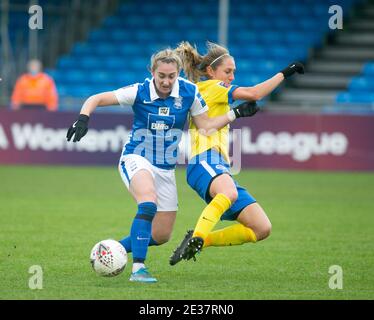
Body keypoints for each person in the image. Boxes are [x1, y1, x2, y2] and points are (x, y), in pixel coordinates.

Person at [66, 48, 258, 283]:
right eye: (161, 76)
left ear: (178, 73)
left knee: (161, 234)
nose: (166, 81)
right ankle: (138, 269)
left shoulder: (189, 92)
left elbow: (206, 127)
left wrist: (234, 113)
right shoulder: (139, 90)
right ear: (152, 72)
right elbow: (96, 98)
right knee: (147, 203)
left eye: (171, 76)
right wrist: (83, 118)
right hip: (137, 157)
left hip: (166, 169)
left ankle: (112, 249)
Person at [169, 41, 305, 265]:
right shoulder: (212, 87)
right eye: (228, 71)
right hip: (204, 160)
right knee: (229, 193)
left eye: (234, 72)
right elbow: (254, 93)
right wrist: (285, 73)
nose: (232, 76)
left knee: (261, 228)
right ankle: (198, 236)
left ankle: (200, 240)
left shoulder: (209, 91)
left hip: (216, 165)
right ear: (211, 71)